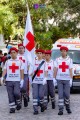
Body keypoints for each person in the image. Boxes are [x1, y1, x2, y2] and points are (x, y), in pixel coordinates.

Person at [0, 47, 24, 113]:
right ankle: (12, 108)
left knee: (17, 93)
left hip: (17, 80)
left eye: (14, 52)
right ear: (10, 54)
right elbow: (5, 70)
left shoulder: (20, 62)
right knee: (10, 94)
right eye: (11, 53)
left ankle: (18, 101)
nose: (13, 54)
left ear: (17, 53)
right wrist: (2, 77)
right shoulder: (8, 62)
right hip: (9, 80)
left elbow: (22, 71)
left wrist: (22, 79)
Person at [54, 46, 73, 115]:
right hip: (59, 79)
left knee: (67, 95)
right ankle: (61, 110)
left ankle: (67, 108)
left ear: (66, 52)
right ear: (61, 52)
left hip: (67, 79)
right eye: (62, 51)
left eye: (64, 51)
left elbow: (70, 70)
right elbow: (55, 69)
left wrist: (71, 79)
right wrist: (54, 78)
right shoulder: (57, 60)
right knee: (60, 95)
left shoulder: (69, 60)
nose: (63, 52)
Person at [32, 49, 47, 115]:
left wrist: (45, 78)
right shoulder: (33, 61)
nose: (39, 54)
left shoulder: (44, 62)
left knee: (41, 95)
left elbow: (46, 71)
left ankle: (42, 105)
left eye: (41, 53)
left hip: (41, 81)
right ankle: (35, 110)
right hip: (35, 81)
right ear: (36, 54)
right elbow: (31, 71)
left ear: (43, 54)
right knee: (35, 96)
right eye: (38, 53)